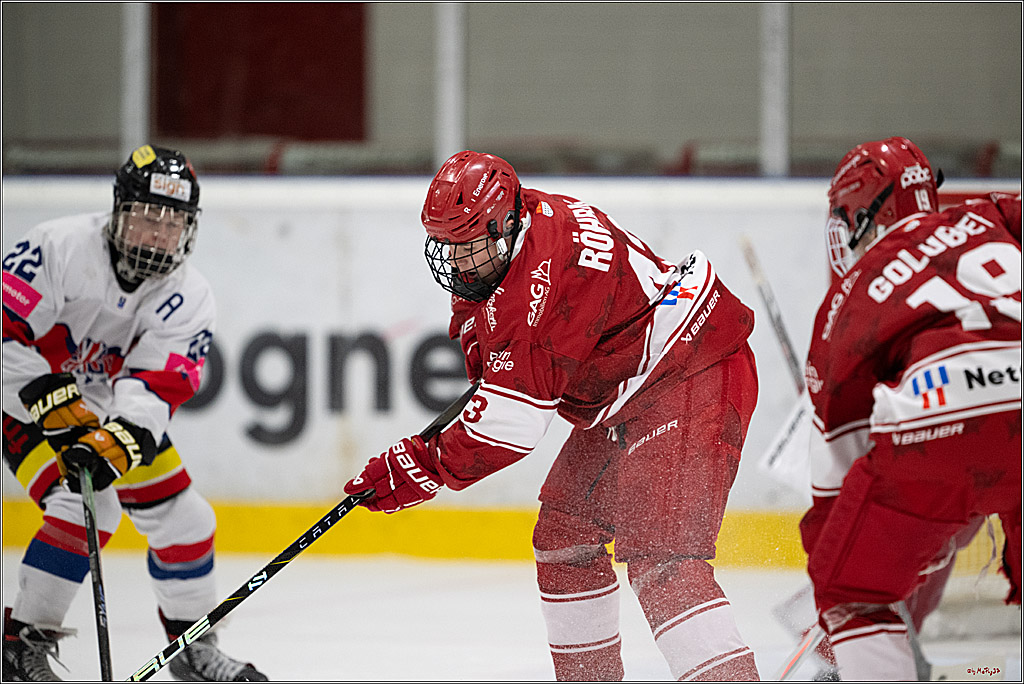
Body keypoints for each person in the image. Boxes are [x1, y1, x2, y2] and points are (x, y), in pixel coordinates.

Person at [343, 150, 762, 680]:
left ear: (502, 225)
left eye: (466, 246)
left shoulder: (538, 291)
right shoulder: (529, 220)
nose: (454, 261)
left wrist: (423, 464)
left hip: (691, 371)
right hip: (633, 386)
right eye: (444, 245)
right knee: (565, 535)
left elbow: (511, 426)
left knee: (663, 559)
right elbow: (508, 358)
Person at [2, 145, 266, 682]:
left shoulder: (189, 296)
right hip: (18, 401)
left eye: (173, 223)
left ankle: (190, 649)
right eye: (147, 217)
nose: (158, 234)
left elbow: (154, 386)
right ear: (119, 211)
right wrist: (51, 400)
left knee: (188, 521)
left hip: (98, 410)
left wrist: (119, 439)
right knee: (88, 503)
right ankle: (18, 646)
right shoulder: (58, 247)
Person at [800, 136, 1021, 680]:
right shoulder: (994, 215)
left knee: (852, 590)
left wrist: (850, 553)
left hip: (938, 418)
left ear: (860, 211)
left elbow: (836, 465)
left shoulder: (849, 295)